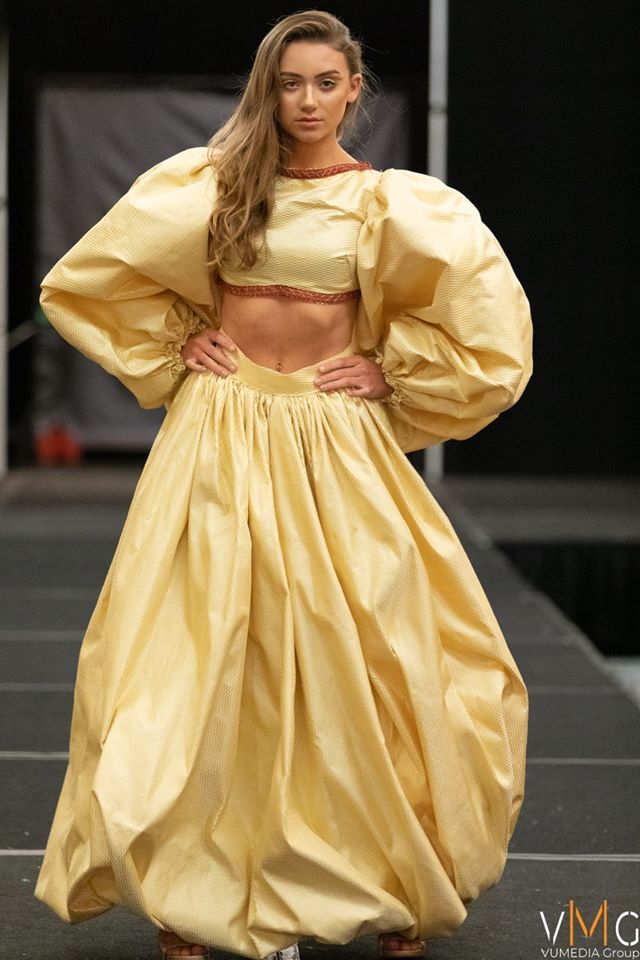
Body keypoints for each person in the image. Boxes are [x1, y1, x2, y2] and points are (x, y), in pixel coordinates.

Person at [33, 10, 533, 960]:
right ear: (268, 92)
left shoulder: (391, 205)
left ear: (354, 91)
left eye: (324, 83)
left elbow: (488, 328)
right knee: (196, 649)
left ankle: (397, 880)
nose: (307, 101)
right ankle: (188, 891)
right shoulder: (211, 186)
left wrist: (390, 369)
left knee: (371, 644)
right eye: (290, 83)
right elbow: (90, 280)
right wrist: (181, 342)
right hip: (220, 429)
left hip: (333, 437)